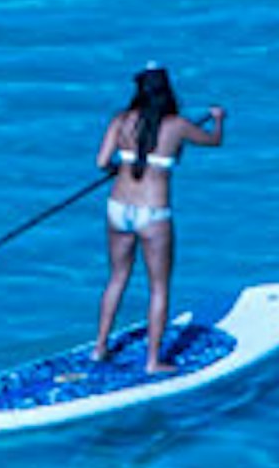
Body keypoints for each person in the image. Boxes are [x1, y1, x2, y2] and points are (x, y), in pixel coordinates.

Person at [91, 63, 226, 376]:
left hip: (117, 207)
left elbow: (101, 162)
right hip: (152, 214)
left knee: (117, 277)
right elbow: (213, 141)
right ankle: (153, 361)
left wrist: (118, 170)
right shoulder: (177, 126)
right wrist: (218, 121)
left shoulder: (121, 121)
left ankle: (100, 347)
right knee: (159, 288)